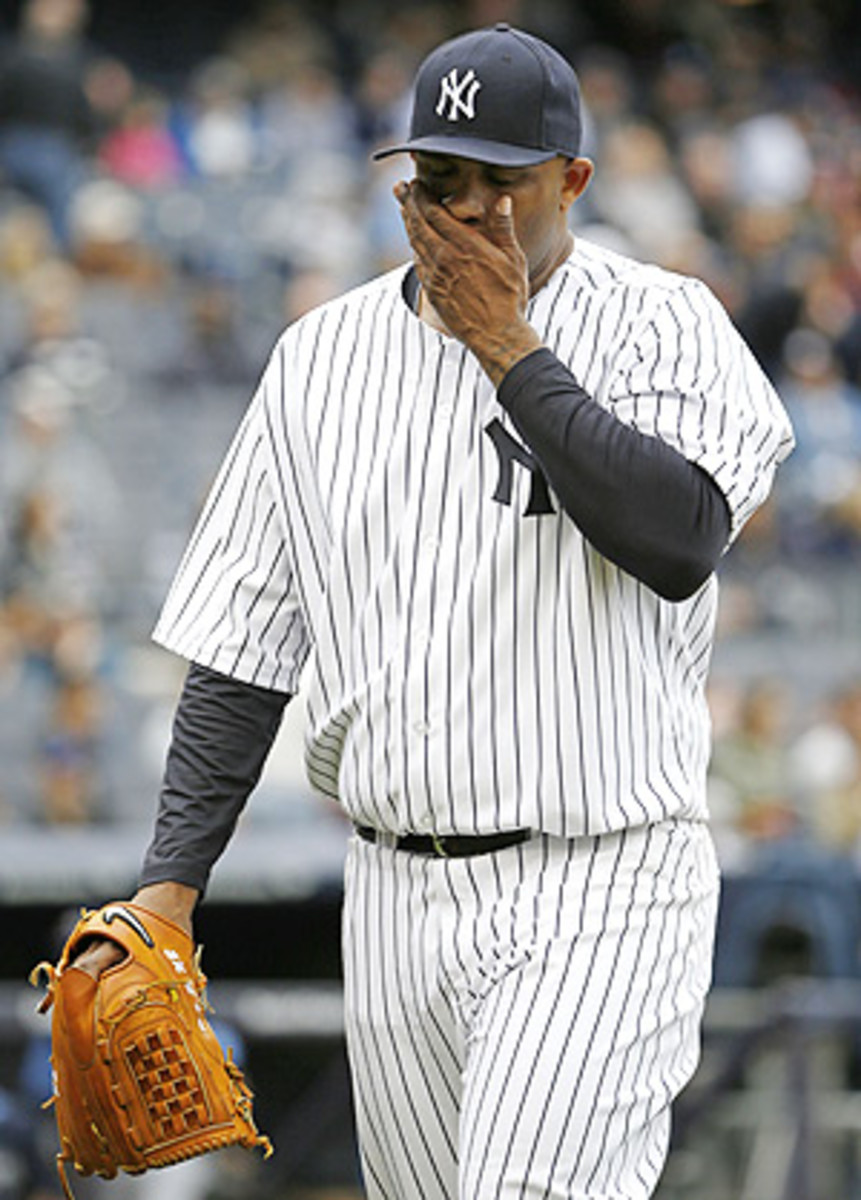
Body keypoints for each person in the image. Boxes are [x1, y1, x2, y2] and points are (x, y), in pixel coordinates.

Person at [77, 24, 793, 1198]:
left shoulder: (663, 324)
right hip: (393, 894)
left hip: (597, 881)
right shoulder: (320, 361)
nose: (463, 214)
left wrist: (509, 345)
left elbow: (678, 540)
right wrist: (167, 886)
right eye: (438, 181)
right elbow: (244, 643)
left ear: (573, 181)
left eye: (498, 185)